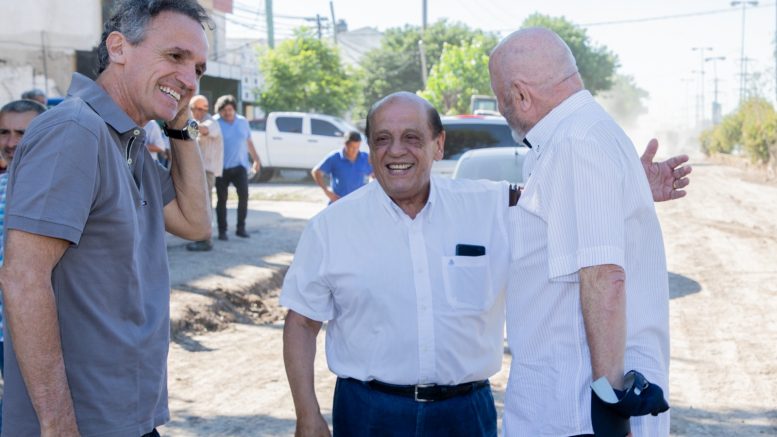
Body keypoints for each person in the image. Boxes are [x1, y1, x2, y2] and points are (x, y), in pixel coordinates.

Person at [280, 92, 690, 436]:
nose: (397, 150)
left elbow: (557, 197)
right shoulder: (330, 228)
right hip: (368, 414)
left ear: (439, 144)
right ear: (370, 148)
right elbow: (301, 323)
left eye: (412, 137)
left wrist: (626, 183)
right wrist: (307, 414)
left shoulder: (490, 206)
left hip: (465, 415)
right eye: (382, 139)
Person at [0, 1, 212, 435]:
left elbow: (195, 223)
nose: (190, 79)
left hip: (128, 418)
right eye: (175, 56)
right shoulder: (75, 131)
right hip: (82, 424)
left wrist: (180, 122)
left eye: (198, 69)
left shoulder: (126, 141)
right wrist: (58, 424)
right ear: (118, 48)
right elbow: (23, 278)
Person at [489, 27, 681, 436]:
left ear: (521, 95)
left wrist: (610, 408)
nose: (502, 109)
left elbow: (604, 278)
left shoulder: (574, 143)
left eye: (501, 98)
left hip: (573, 417)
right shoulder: (586, 133)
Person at [0, 98, 47, 433]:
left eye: (21, 133)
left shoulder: (61, 189)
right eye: (4, 132)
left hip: (34, 333)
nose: (11, 142)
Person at [214, 94, 260, 240]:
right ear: (220, 111)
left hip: (240, 166)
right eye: (224, 111)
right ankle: (222, 231)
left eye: (230, 110)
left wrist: (256, 159)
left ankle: (241, 228)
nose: (227, 113)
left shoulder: (242, 122)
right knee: (222, 200)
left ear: (234, 109)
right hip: (221, 167)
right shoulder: (215, 122)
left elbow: (249, 142)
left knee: (244, 197)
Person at [187, 94, 223, 251]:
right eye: (197, 109)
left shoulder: (211, 121)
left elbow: (204, 129)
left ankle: (205, 239)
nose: (200, 112)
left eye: (204, 109)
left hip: (206, 171)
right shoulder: (195, 121)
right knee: (197, 204)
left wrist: (186, 124)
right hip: (197, 170)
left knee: (204, 205)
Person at [311, 130, 372, 203]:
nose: (355, 150)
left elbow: (376, 175)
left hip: (360, 203)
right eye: (352, 147)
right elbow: (316, 172)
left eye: (357, 147)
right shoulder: (335, 157)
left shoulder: (366, 158)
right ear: (345, 144)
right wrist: (326, 191)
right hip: (339, 202)